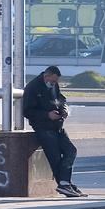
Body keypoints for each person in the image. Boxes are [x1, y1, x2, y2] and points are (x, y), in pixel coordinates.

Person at [22, 65, 83, 197]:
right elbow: (27, 111)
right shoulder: (33, 87)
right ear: (46, 76)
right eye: (53, 81)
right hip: (43, 128)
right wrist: (47, 115)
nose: (54, 83)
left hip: (57, 126)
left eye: (56, 81)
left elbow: (60, 99)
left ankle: (65, 183)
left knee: (71, 151)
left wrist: (64, 109)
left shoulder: (54, 85)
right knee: (55, 158)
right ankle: (65, 184)